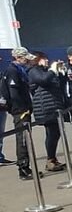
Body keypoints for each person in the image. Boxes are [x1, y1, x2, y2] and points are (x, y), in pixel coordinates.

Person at [1, 47, 37, 180]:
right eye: (25, 58)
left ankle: (27, 167)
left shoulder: (20, 70)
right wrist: (23, 108)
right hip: (20, 111)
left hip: (24, 109)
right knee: (22, 139)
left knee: (26, 139)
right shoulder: (12, 71)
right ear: (18, 58)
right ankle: (23, 168)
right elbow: (14, 93)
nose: (27, 61)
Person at [28, 51, 68, 172]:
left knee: (55, 132)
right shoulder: (33, 71)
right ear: (37, 59)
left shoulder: (46, 71)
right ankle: (50, 159)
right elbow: (43, 80)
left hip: (54, 105)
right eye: (44, 59)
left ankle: (52, 158)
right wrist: (52, 70)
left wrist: (61, 73)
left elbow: (59, 85)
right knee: (52, 132)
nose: (47, 61)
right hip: (45, 107)